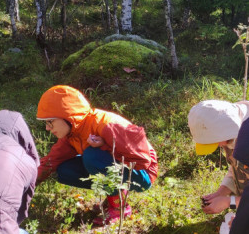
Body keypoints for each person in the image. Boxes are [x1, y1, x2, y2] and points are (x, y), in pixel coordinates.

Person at [36, 85, 158, 225]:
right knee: (64, 169)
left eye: (50, 122)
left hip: (143, 174)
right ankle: (114, 195)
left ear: (67, 117)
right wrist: (26, 185)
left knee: (92, 156)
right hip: (122, 169)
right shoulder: (72, 134)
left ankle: (119, 207)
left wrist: (105, 146)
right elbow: (50, 162)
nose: (47, 128)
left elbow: (142, 160)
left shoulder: (105, 124)